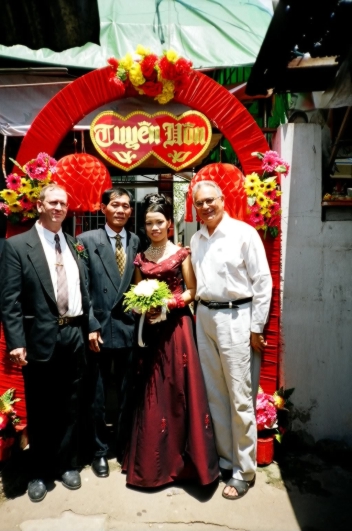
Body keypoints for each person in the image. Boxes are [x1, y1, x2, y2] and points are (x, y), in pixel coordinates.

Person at [121, 193, 219, 488]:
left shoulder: (181, 254)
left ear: (168, 224)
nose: (153, 228)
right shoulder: (141, 258)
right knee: (152, 391)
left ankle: (186, 464)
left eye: (159, 222)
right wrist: (143, 307)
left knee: (178, 389)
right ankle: (153, 465)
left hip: (177, 330)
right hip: (150, 331)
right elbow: (138, 292)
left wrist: (167, 305)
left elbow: (192, 291)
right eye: (148, 223)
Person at [0, 184, 90, 502]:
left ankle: (66, 465)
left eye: (63, 203)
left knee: (70, 403)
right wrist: (16, 341)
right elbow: (9, 300)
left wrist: (89, 328)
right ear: (39, 205)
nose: (58, 207)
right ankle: (38, 471)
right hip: (39, 339)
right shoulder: (17, 246)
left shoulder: (73, 243)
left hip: (74, 335)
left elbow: (84, 292)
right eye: (52, 202)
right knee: (40, 407)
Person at [190, 180, 272, 501]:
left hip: (237, 317)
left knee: (240, 395)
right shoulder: (197, 239)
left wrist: (256, 327)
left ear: (222, 200)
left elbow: (262, 281)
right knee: (215, 394)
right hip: (205, 316)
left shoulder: (243, 233)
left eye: (211, 200)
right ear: (195, 207)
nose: (206, 207)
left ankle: (244, 470)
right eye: (200, 203)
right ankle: (226, 460)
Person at [78, 188, 140, 477]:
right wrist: (90, 324)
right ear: (103, 207)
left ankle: (125, 445)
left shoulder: (137, 241)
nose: (120, 210)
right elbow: (83, 288)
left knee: (128, 392)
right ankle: (100, 450)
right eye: (114, 204)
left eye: (126, 206)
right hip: (99, 330)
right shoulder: (86, 241)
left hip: (128, 328)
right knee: (98, 395)